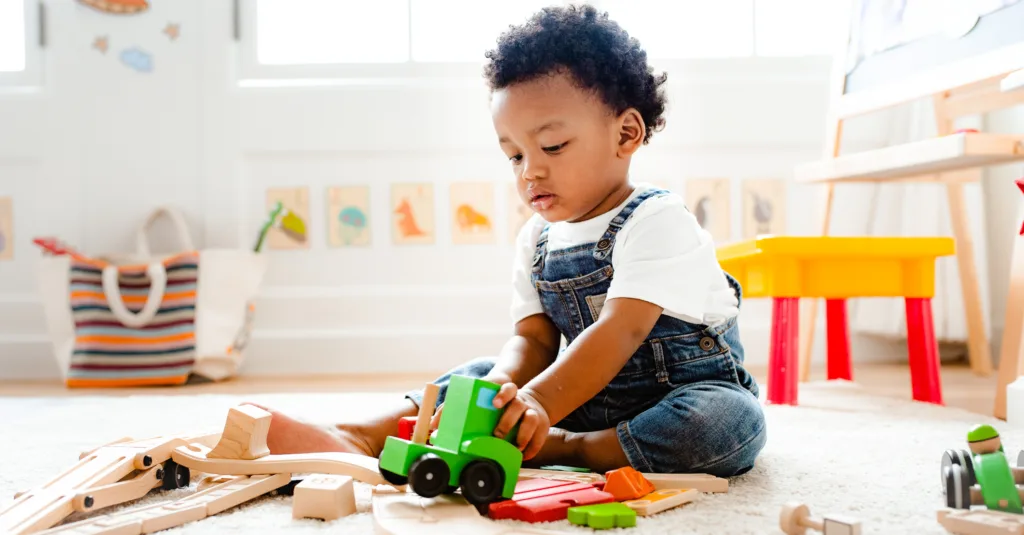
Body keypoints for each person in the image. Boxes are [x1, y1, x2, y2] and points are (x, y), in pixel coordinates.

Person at [251, 3, 766, 477]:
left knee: (725, 424)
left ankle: (569, 448)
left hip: (678, 393)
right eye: (514, 155)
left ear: (626, 134)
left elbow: (620, 332)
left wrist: (540, 405)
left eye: (552, 146)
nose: (530, 171)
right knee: (476, 376)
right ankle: (360, 435)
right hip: (577, 394)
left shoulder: (658, 220)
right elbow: (535, 341)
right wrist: (502, 388)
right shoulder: (537, 238)